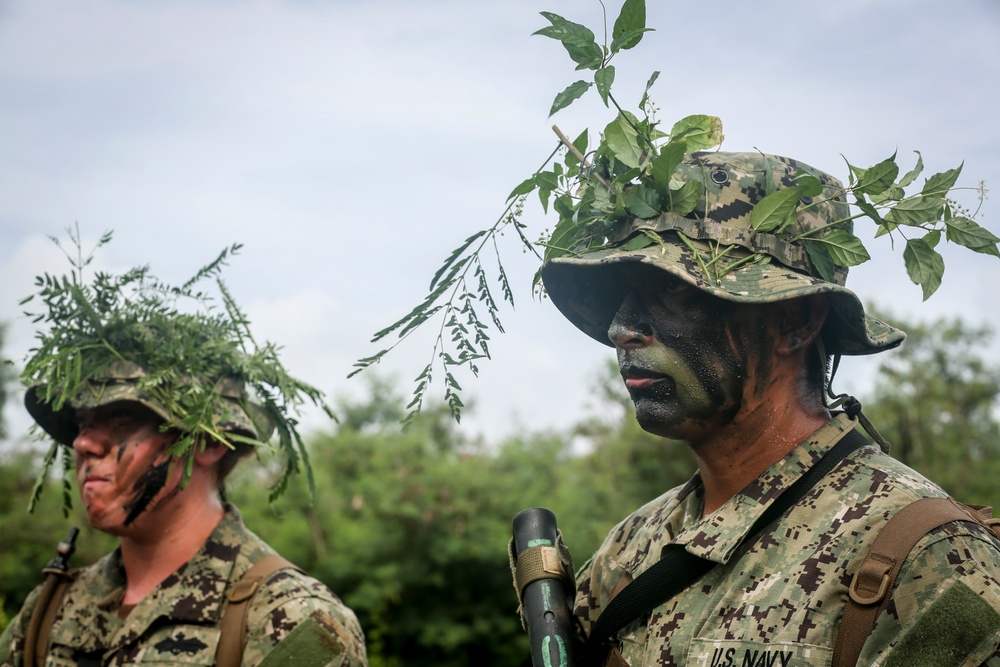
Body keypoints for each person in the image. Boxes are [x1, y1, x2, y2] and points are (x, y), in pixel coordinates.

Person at [539, 151, 1000, 666]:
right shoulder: (630, 550)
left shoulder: (923, 557)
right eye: (624, 296)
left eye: (672, 288)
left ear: (795, 321)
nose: (621, 328)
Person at [0, 245, 368, 667]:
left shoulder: (286, 620)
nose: (83, 443)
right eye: (83, 421)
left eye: (120, 417)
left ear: (208, 442)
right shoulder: (48, 614)